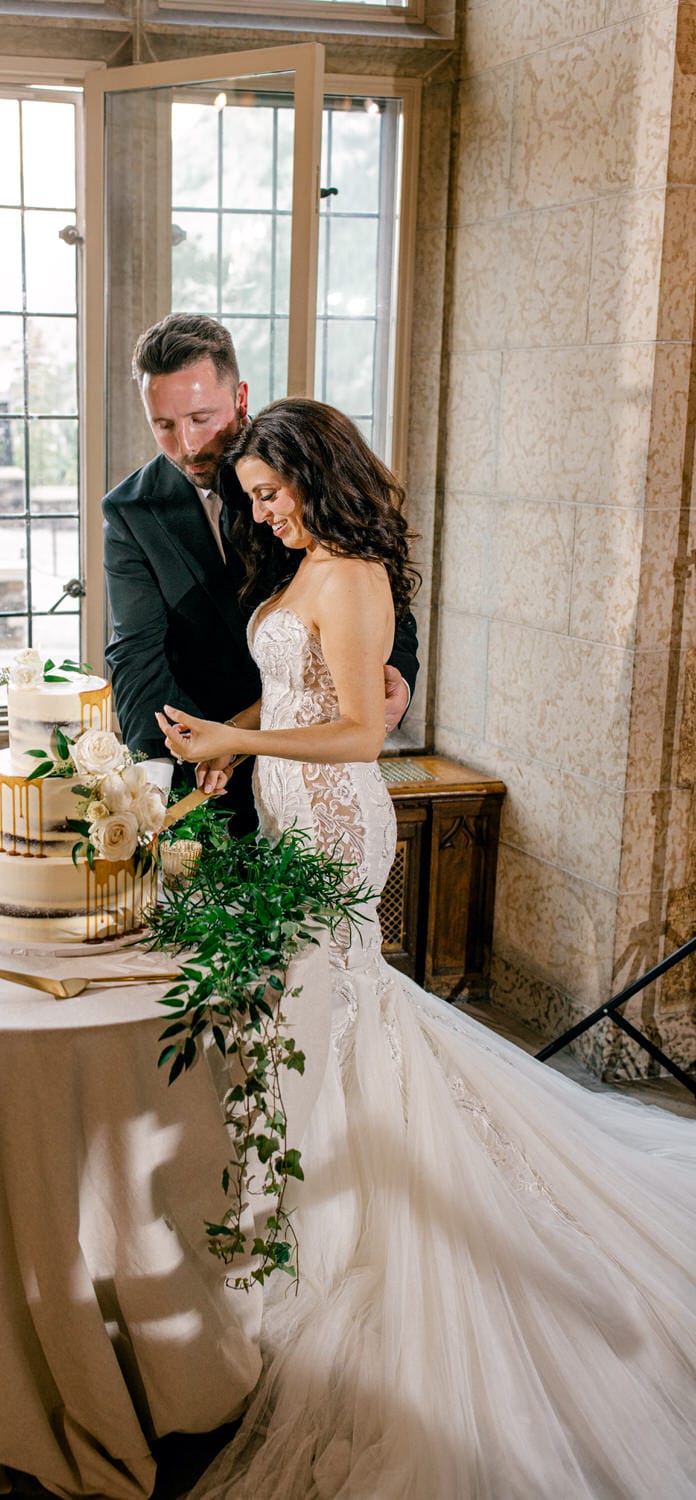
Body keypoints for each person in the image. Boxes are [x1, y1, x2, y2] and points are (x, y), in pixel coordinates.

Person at [156, 399, 696, 1500]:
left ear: (316, 471)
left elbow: (362, 729)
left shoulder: (352, 574)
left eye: (273, 493)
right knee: (309, 1021)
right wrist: (230, 762)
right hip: (288, 801)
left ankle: (346, 1216)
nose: (263, 514)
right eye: (253, 500)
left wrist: (241, 739)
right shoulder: (300, 568)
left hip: (342, 824)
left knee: (333, 1008)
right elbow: (292, 690)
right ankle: (303, 1193)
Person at [101, 313, 420, 829]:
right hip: (206, 773)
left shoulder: (304, 475)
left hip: (319, 761)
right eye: (163, 425)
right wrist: (160, 775)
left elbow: (379, 593)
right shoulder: (131, 511)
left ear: (241, 398)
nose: (187, 445)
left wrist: (397, 675)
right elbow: (137, 652)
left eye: (202, 418)